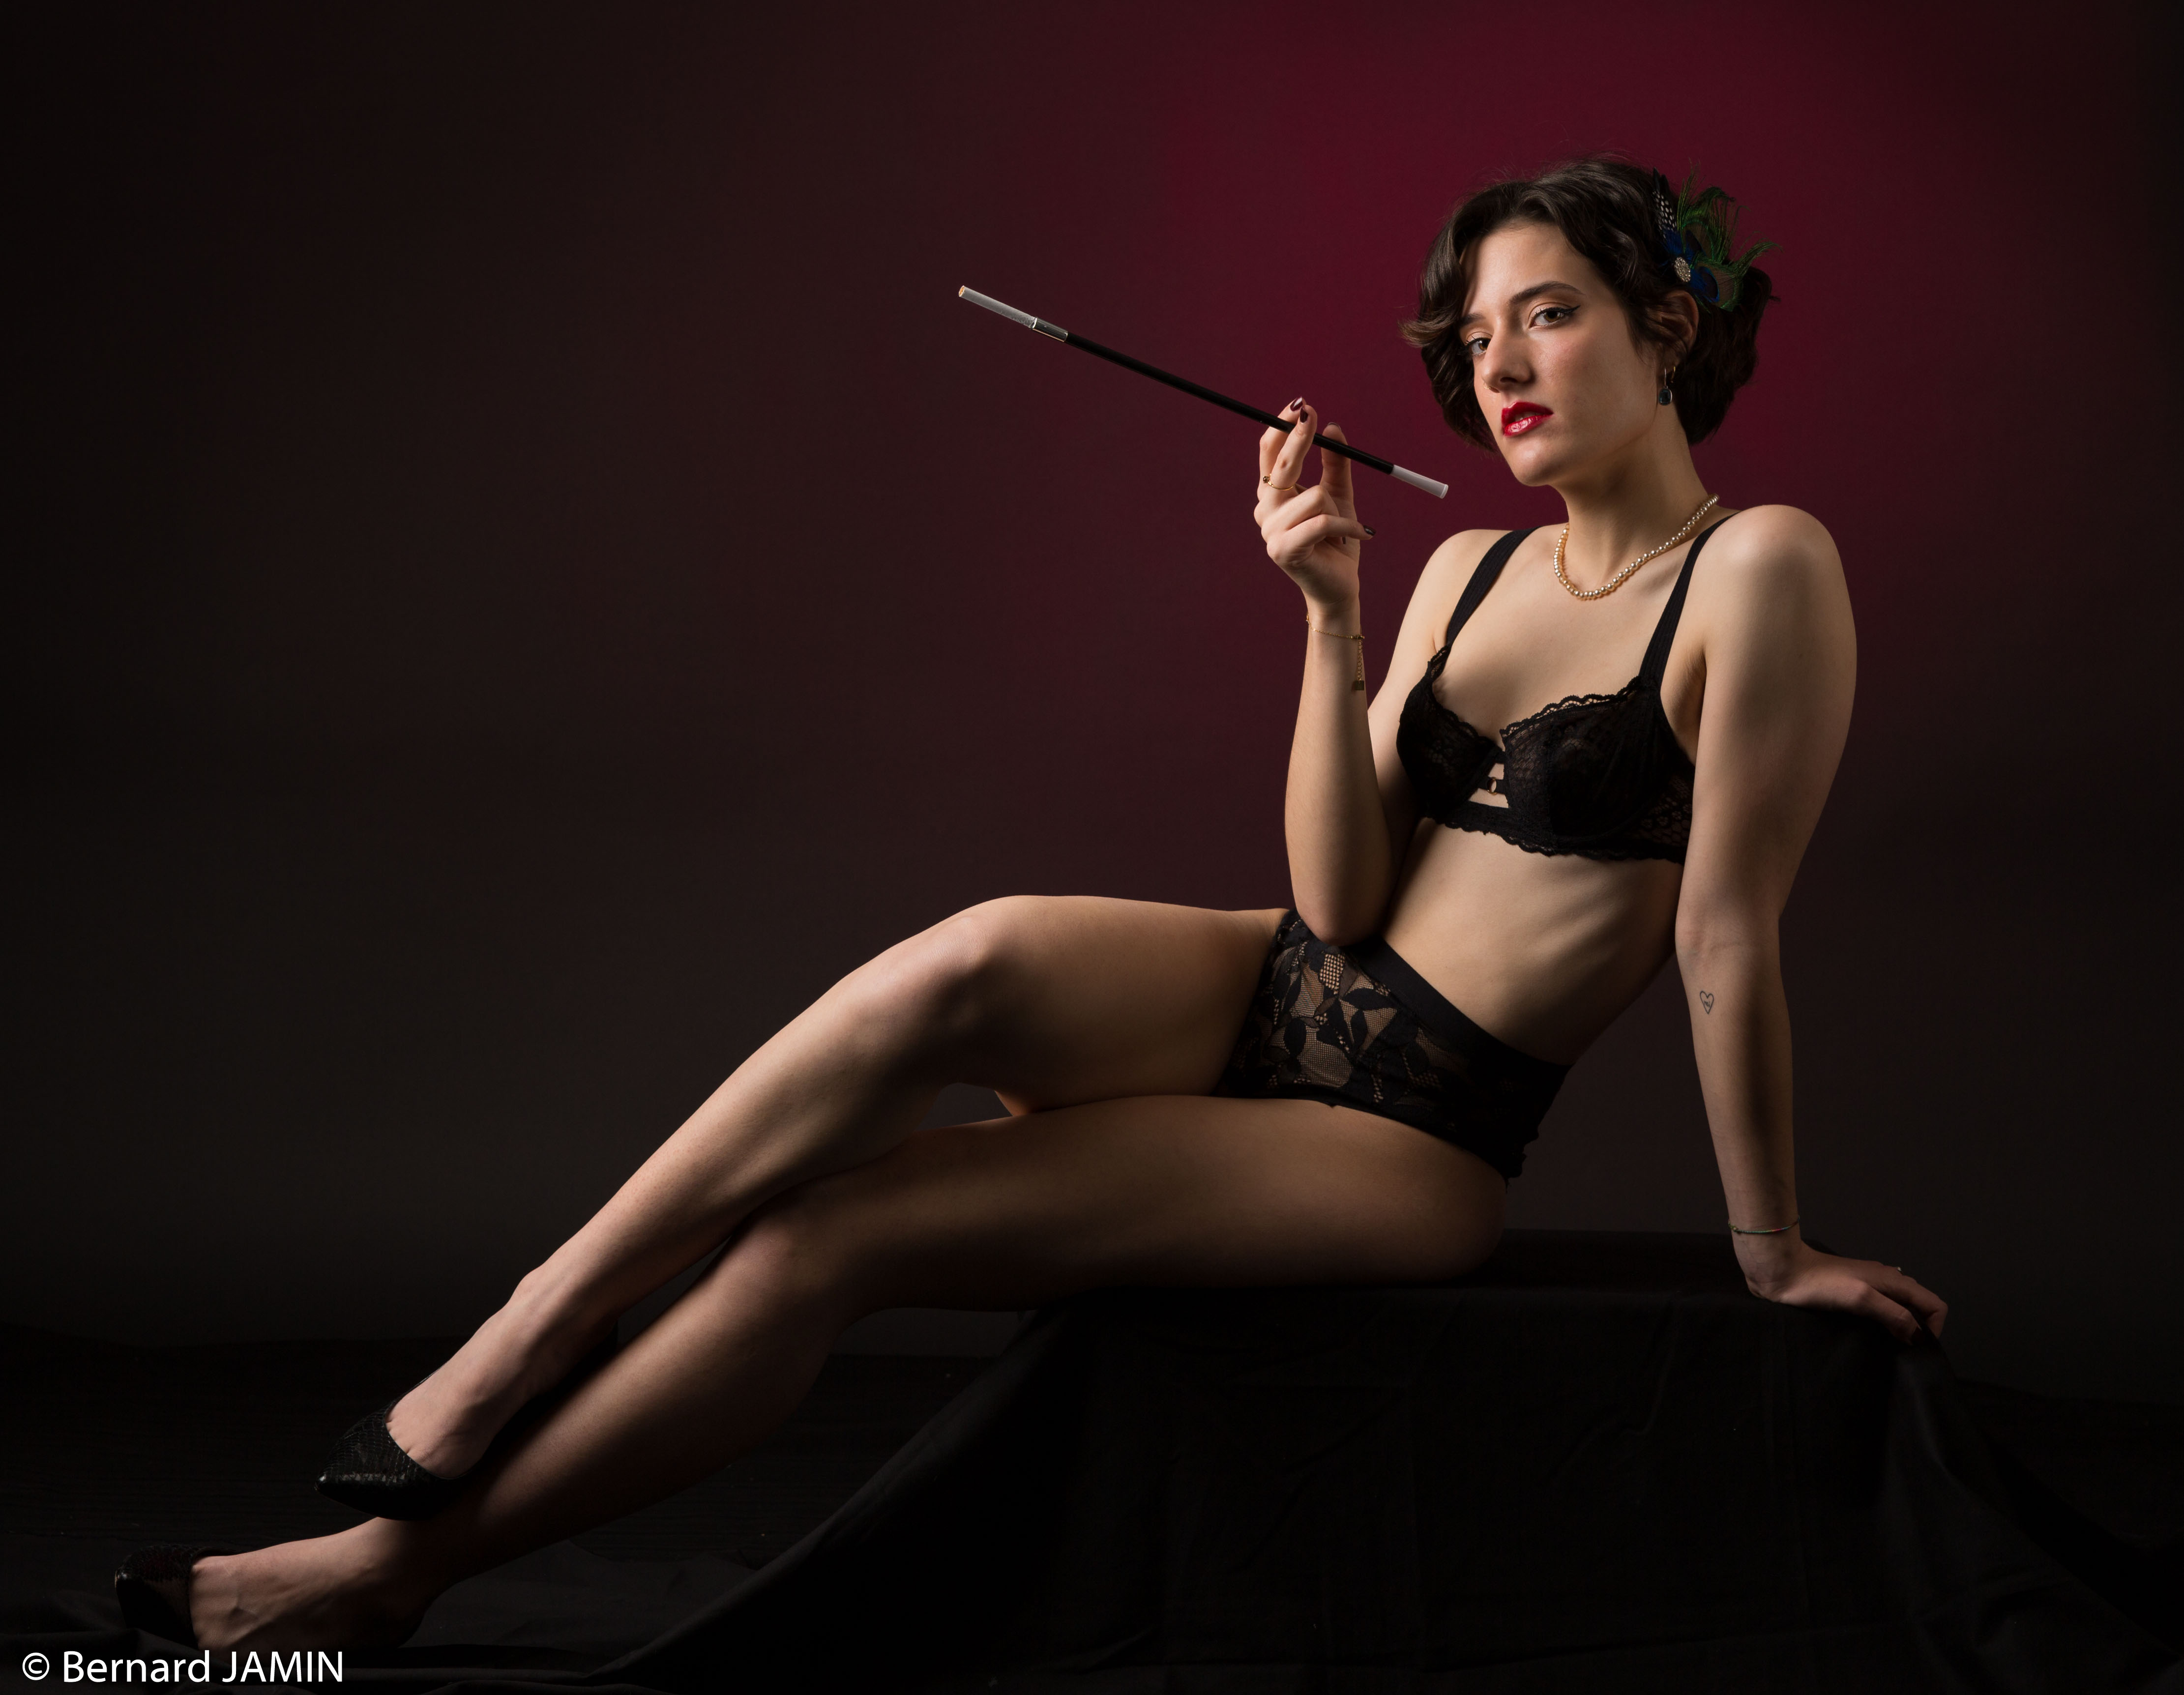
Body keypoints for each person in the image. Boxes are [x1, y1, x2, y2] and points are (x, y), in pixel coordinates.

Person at [117, 156, 1948, 1651]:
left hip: (1410, 1129)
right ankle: (535, 1319)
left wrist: (1772, 1250)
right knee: (975, 950)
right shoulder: (1469, 564)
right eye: (1473, 336)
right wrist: (1325, 616)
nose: (1499, 367)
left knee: (827, 1239)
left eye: (1545, 313)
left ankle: (381, 1577)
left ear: (1667, 323)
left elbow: (1723, 932)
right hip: (1278, 980)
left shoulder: (1760, 568)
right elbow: (1332, 896)